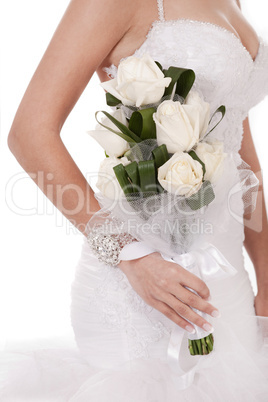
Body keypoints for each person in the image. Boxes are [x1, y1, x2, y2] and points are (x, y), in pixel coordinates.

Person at [1, 0, 268, 400]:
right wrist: (132, 255)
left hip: (228, 286)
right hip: (142, 289)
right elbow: (29, 133)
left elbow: (241, 157)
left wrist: (266, 277)